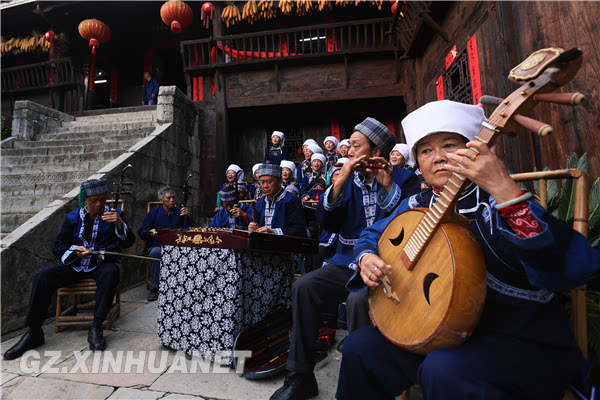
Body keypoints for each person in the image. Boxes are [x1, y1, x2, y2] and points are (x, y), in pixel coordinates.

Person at [336, 100, 599, 400]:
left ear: (474, 150)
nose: (438, 158)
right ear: (417, 163)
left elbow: (579, 267)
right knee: (360, 348)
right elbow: (371, 233)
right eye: (425, 151)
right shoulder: (418, 206)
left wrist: (505, 191)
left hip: (518, 340)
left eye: (449, 144)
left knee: (442, 369)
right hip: (437, 333)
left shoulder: (500, 204)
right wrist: (366, 257)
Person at [269, 117, 420, 400]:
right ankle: (300, 376)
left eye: (355, 146)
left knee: (357, 300)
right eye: (348, 146)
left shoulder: (404, 179)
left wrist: (388, 187)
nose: (347, 151)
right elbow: (328, 225)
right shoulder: (345, 178)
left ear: (375, 152)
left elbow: (407, 224)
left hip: (389, 267)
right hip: (347, 261)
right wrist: (338, 184)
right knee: (304, 286)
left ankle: (363, 386)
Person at [3, 179, 136, 359]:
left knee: (110, 272)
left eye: (102, 200)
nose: (99, 204)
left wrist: (120, 224)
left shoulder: (115, 215)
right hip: (76, 265)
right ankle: (34, 332)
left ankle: (96, 327)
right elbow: (59, 246)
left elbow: (128, 242)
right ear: (85, 200)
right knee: (43, 276)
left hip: (101, 264)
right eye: (94, 200)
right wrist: (76, 251)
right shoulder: (72, 217)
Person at [138, 187, 193, 301]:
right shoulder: (154, 213)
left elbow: (191, 228)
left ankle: (184, 286)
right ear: (162, 200)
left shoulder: (180, 211)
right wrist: (150, 233)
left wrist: (186, 217)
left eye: (173, 197)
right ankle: (155, 287)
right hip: (159, 245)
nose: (172, 200)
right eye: (168, 198)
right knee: (156, 253)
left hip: (177, 245)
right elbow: (142, 231)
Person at [248, 164, 306, 237]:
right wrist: (253, 227)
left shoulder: (291, 200)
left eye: (269, 182)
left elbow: (299, 229)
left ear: (279, 181)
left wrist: (273, 231)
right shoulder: (260, 202)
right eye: (262, 182)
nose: (265, 186)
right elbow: (256, 224)